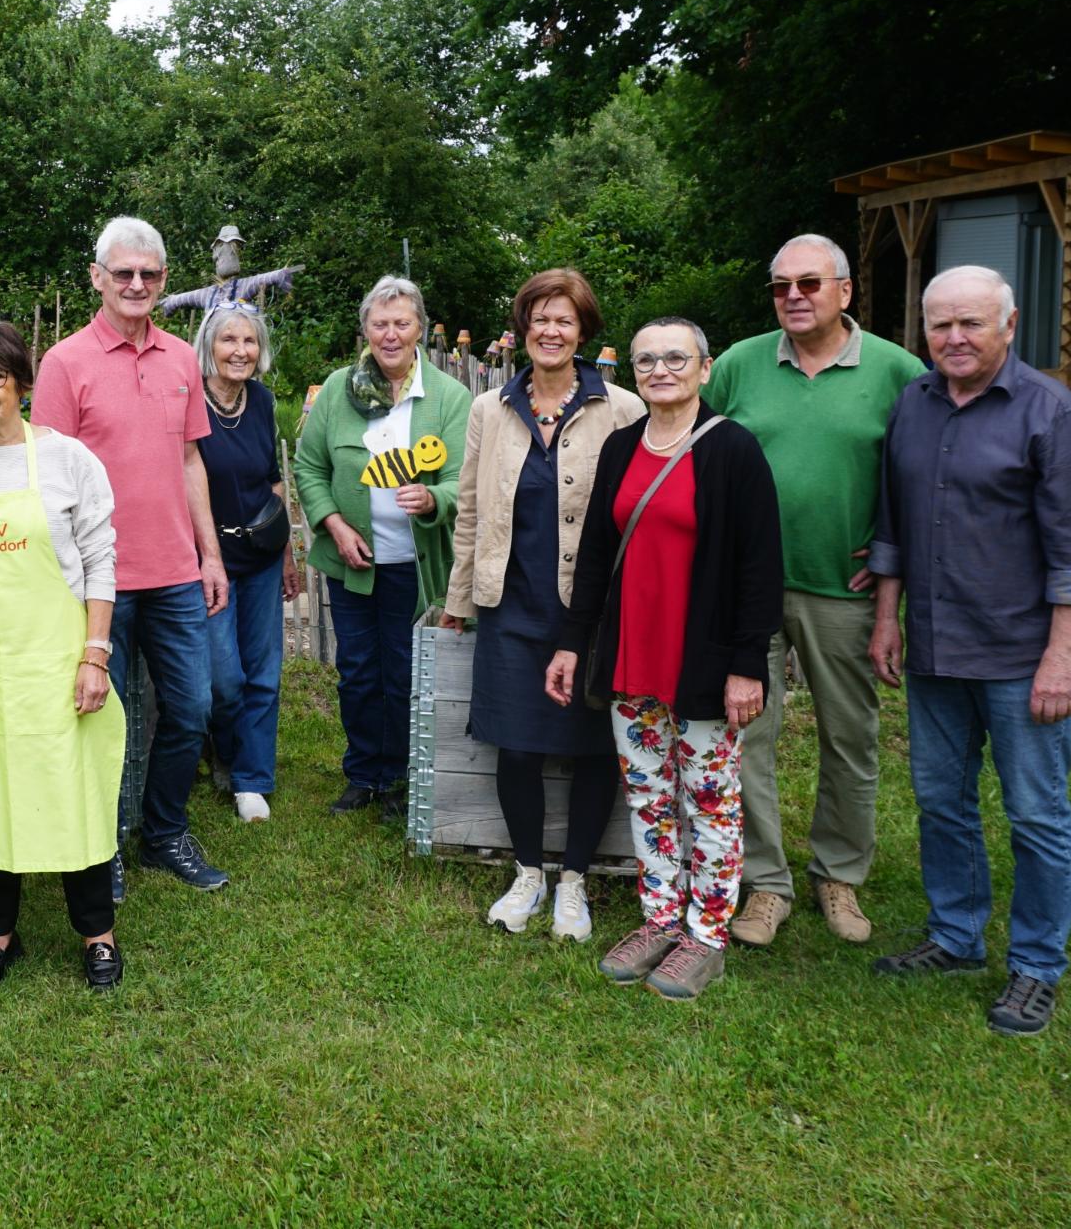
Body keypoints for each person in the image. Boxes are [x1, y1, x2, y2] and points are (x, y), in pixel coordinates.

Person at [867, 266, 1071, 1038]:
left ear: (1009, 324)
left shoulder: (1051, 413)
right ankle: (957, 936)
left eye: (970, 324)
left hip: (1017, 653)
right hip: (933, 647)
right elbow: (893, 526)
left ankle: (1035, 966)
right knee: (941, 800)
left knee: (1036, 813)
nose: (954, 339)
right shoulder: (915, 404)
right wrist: (888, 619)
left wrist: (1063, 657)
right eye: (940, 326)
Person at [547, 316, 782, 1002]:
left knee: (708, 799)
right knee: (649, 798)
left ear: (705, 369)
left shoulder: (734, 451)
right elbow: (594, 559)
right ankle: (658, 921)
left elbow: (759, 568)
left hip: (704, 664)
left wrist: (748, 664)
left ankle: (705, 934)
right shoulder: (621, 449)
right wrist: (571, 639)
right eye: (646, 360)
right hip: (634, 657)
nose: (660, 370)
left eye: (676, 358)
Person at [705, 233, 925, 950]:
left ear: (845, 291)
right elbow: (690, 441)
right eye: (780, 286)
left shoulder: (896, 371)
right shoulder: (739, 364)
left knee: (850, 735)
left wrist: (898, 544)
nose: (793, 297)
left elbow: (930, 471)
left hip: (843, 587)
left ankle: (839, 872)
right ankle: (764, 884)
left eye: (808, 283)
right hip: (746, 588)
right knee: (747, 737)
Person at [0, 323, 127, 989]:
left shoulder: (68, 460)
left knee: (72, 791)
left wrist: (94, 655)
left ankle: (98, 935)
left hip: (55, 659)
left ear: (21, 384)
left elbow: (101, 559)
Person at [441, 270, 643, 941]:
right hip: (511, 604)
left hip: (588, 611)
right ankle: (529, 873)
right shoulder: (489, 410)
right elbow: (469, 508)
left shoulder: (621, 408)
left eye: (565, 320)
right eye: (540, 319)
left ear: (583, 331)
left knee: (591, 748)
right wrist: (457, 599)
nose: (551, 331)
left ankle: (576, 883)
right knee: (517, 749)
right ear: (523, 329)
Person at [33, 216, 231, 892]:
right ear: (98, 278)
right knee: (102, 722)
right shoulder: (64, 363)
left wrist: (210, 554)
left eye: (149, 273)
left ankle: (164, 832)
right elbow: (49, 480)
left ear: (165, 281)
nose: (137, 284)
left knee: (192, 708)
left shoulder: (181, 358)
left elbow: (189, 459)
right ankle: (104, 842)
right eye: (124, 273)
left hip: (175, 571)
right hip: (99, 582)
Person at [292, 274, 471, 820]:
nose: (390, 334)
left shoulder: (449, 397)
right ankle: (363, 773)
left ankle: (400, 776)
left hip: (414, 568)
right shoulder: (339, 389)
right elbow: (308, 467)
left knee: (404, 672)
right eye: (379, 323)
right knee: (358, 670)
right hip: (352, 565)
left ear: (419, 328)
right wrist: (336, 527)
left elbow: (465, 481)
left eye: (401, 323)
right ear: (365, 329)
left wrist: (433, 497)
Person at [194, 302, 304, 825]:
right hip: (207, 559)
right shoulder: (189, 401)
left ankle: (251, 778)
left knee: (262, 671)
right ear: (208, 346)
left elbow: (273, 483)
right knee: (223, 678)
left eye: (250, 342)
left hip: (260, 556)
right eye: (228, 341)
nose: (240, 351)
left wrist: (285, 554)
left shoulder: (260, 401)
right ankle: (223, 747)